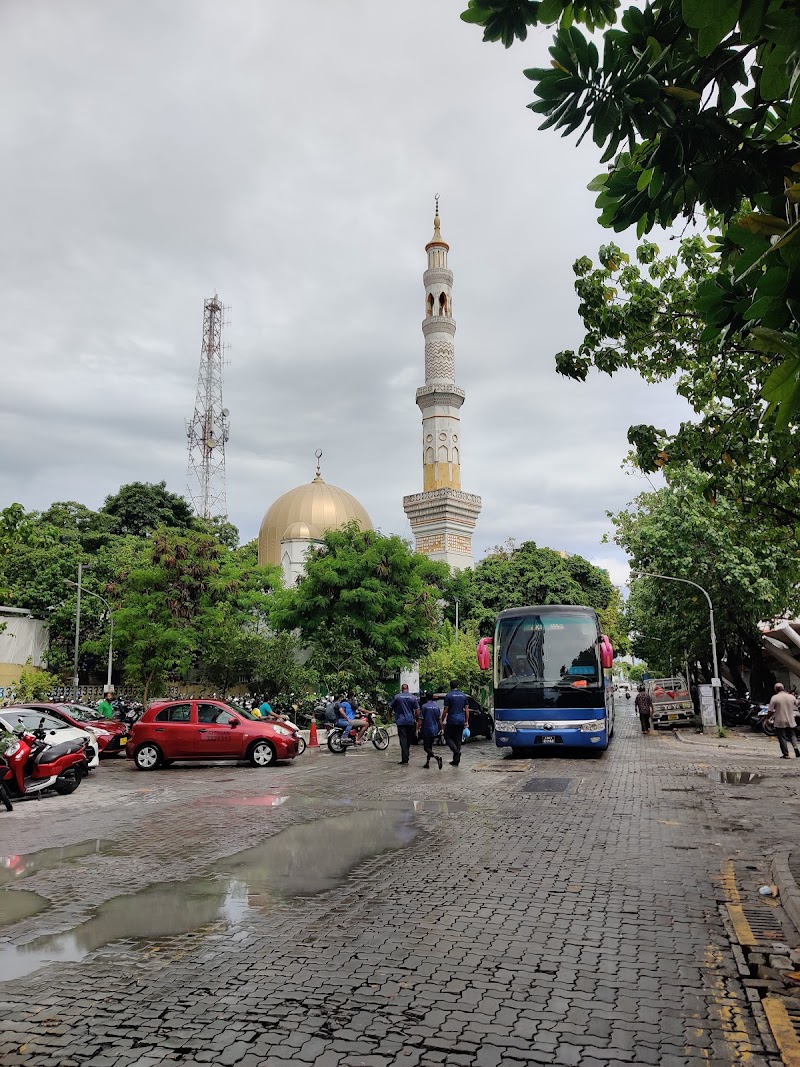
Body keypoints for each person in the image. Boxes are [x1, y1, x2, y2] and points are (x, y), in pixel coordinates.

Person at [768, 683, 800, 759]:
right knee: (792, 735)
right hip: (790, 719)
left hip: (780, 720)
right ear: (783, 688)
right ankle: (796, 748)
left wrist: (767, 719)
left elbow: (770, 711)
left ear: (775, 689)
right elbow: (797, 704)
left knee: (782, 737)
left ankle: (786, 754)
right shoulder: (791, 697)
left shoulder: (774, 698)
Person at [390, 683, 420, 765]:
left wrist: (389, 716)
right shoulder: (413, 698)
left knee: (403, 740)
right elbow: (417, 711)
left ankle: (405, 758)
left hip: (401, 721)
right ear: (408, 688)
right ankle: (406, 755)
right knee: (408, 740)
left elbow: (390, 707)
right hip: (410, 721)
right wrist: (418, 719)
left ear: (401, 688)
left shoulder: (397, 697)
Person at [442, 681, 469, 766]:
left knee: (447, 736)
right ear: (457, 686)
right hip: (461, 720)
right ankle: (456, 760)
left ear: (450, 686)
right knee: (458, 739)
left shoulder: (448, 696)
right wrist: (466, 721)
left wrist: (442, 719)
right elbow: (467, 710)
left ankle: (456, 752)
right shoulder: (463, 696)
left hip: (452, 720)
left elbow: (445, 710)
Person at [419, 691, 443, 770]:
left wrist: (417, 728)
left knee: (426, 748)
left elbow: (421, 719)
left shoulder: (424, 706)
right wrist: (442, 728)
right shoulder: (436, 707)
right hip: (434, 729)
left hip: (426, 729)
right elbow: (439, 720)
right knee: (430, 746)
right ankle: (427, 763)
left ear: (426, 697)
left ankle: (436, 757)